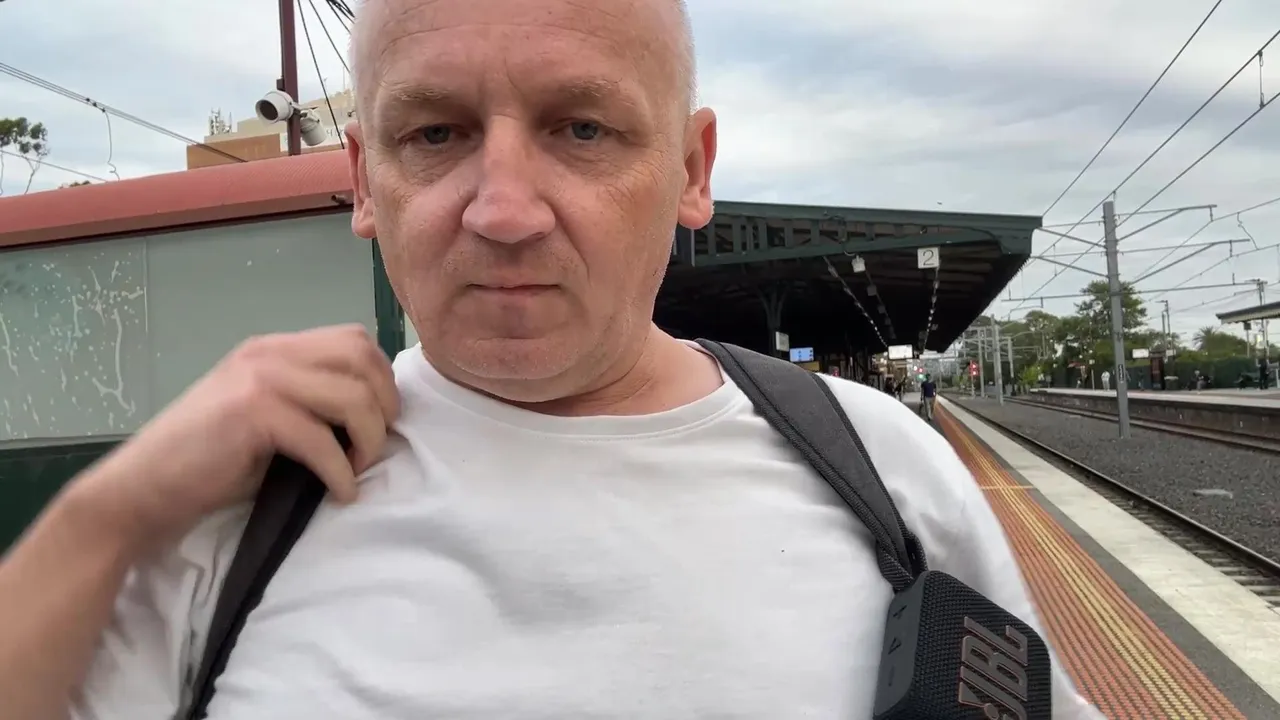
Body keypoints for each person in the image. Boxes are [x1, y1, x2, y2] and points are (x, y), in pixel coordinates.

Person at [0, 1, 1102, 718]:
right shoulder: (243, 502)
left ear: (690, 169)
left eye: (581, 129)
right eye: (435, 134)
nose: (504, 211)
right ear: (364, 180)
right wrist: (108, 510)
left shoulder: (883, 474)